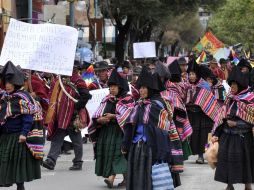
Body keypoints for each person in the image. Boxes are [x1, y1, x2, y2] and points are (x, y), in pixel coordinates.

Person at [122, 66, 174, 190]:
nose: (141, 90)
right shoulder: (137, 106)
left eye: (144, 88)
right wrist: (125, 145)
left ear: (150, 89)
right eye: (140, 87)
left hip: (151, 148)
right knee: (136, 177)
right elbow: (129, 127)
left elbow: (163, 131)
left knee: (151, 178)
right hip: (136, 147)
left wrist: (163, 152)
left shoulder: (157, 106)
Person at [88, 69, 134, 189]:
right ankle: (126, 179)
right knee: (110, 154)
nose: (112, 89)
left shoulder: (128, 100)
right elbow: (97, 114)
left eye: (114, 86)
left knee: (118, 154)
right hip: (107, 131)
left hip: (121, 132)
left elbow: (129, 115)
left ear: (120, 87)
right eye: (110, 87)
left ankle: (111, 178)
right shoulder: (107, 99)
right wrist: (99, 120)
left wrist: (113, 116)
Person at [42, 60, 91, 171]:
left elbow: (86, 96)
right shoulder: (59, 80)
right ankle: (51, 160)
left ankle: (78, 162)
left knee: (76, 140)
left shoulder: (78, 80)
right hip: (61, 116)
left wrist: (77, 107)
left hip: (73, 115)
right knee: (57, 138)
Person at [0, 61, 42, 190]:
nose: (8, 86)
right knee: (3, 165)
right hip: (5, 136)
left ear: (16, 83)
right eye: (6, 82)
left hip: (17, 138)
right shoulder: (4, 98)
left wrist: (24, 134)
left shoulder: (22, 98)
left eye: (10, 83)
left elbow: (28, 118)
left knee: (18, 168)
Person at [212, 66, 254, 190]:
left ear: (241, 85)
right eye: (231, 85)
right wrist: (216, 134)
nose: (232, 87)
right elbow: (222, 117)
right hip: (227, 136)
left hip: (243, 138)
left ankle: (248, 185)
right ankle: (229, 185)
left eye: (235, 85)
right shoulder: (230, 98)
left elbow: (252, 121)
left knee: (245, 162)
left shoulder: (250, 99)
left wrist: (236, 124)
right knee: (226, 162)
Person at [186, 60, 220, 164]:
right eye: (190, 74)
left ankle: (205, 154)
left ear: (197, 75)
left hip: (204, 114)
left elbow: (208, 99)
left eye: (193, 74)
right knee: (195, 136)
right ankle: (199, 154)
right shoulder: (186, 86)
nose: (191, 76)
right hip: (193, 114)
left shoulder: (204, 85)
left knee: (204, 136)